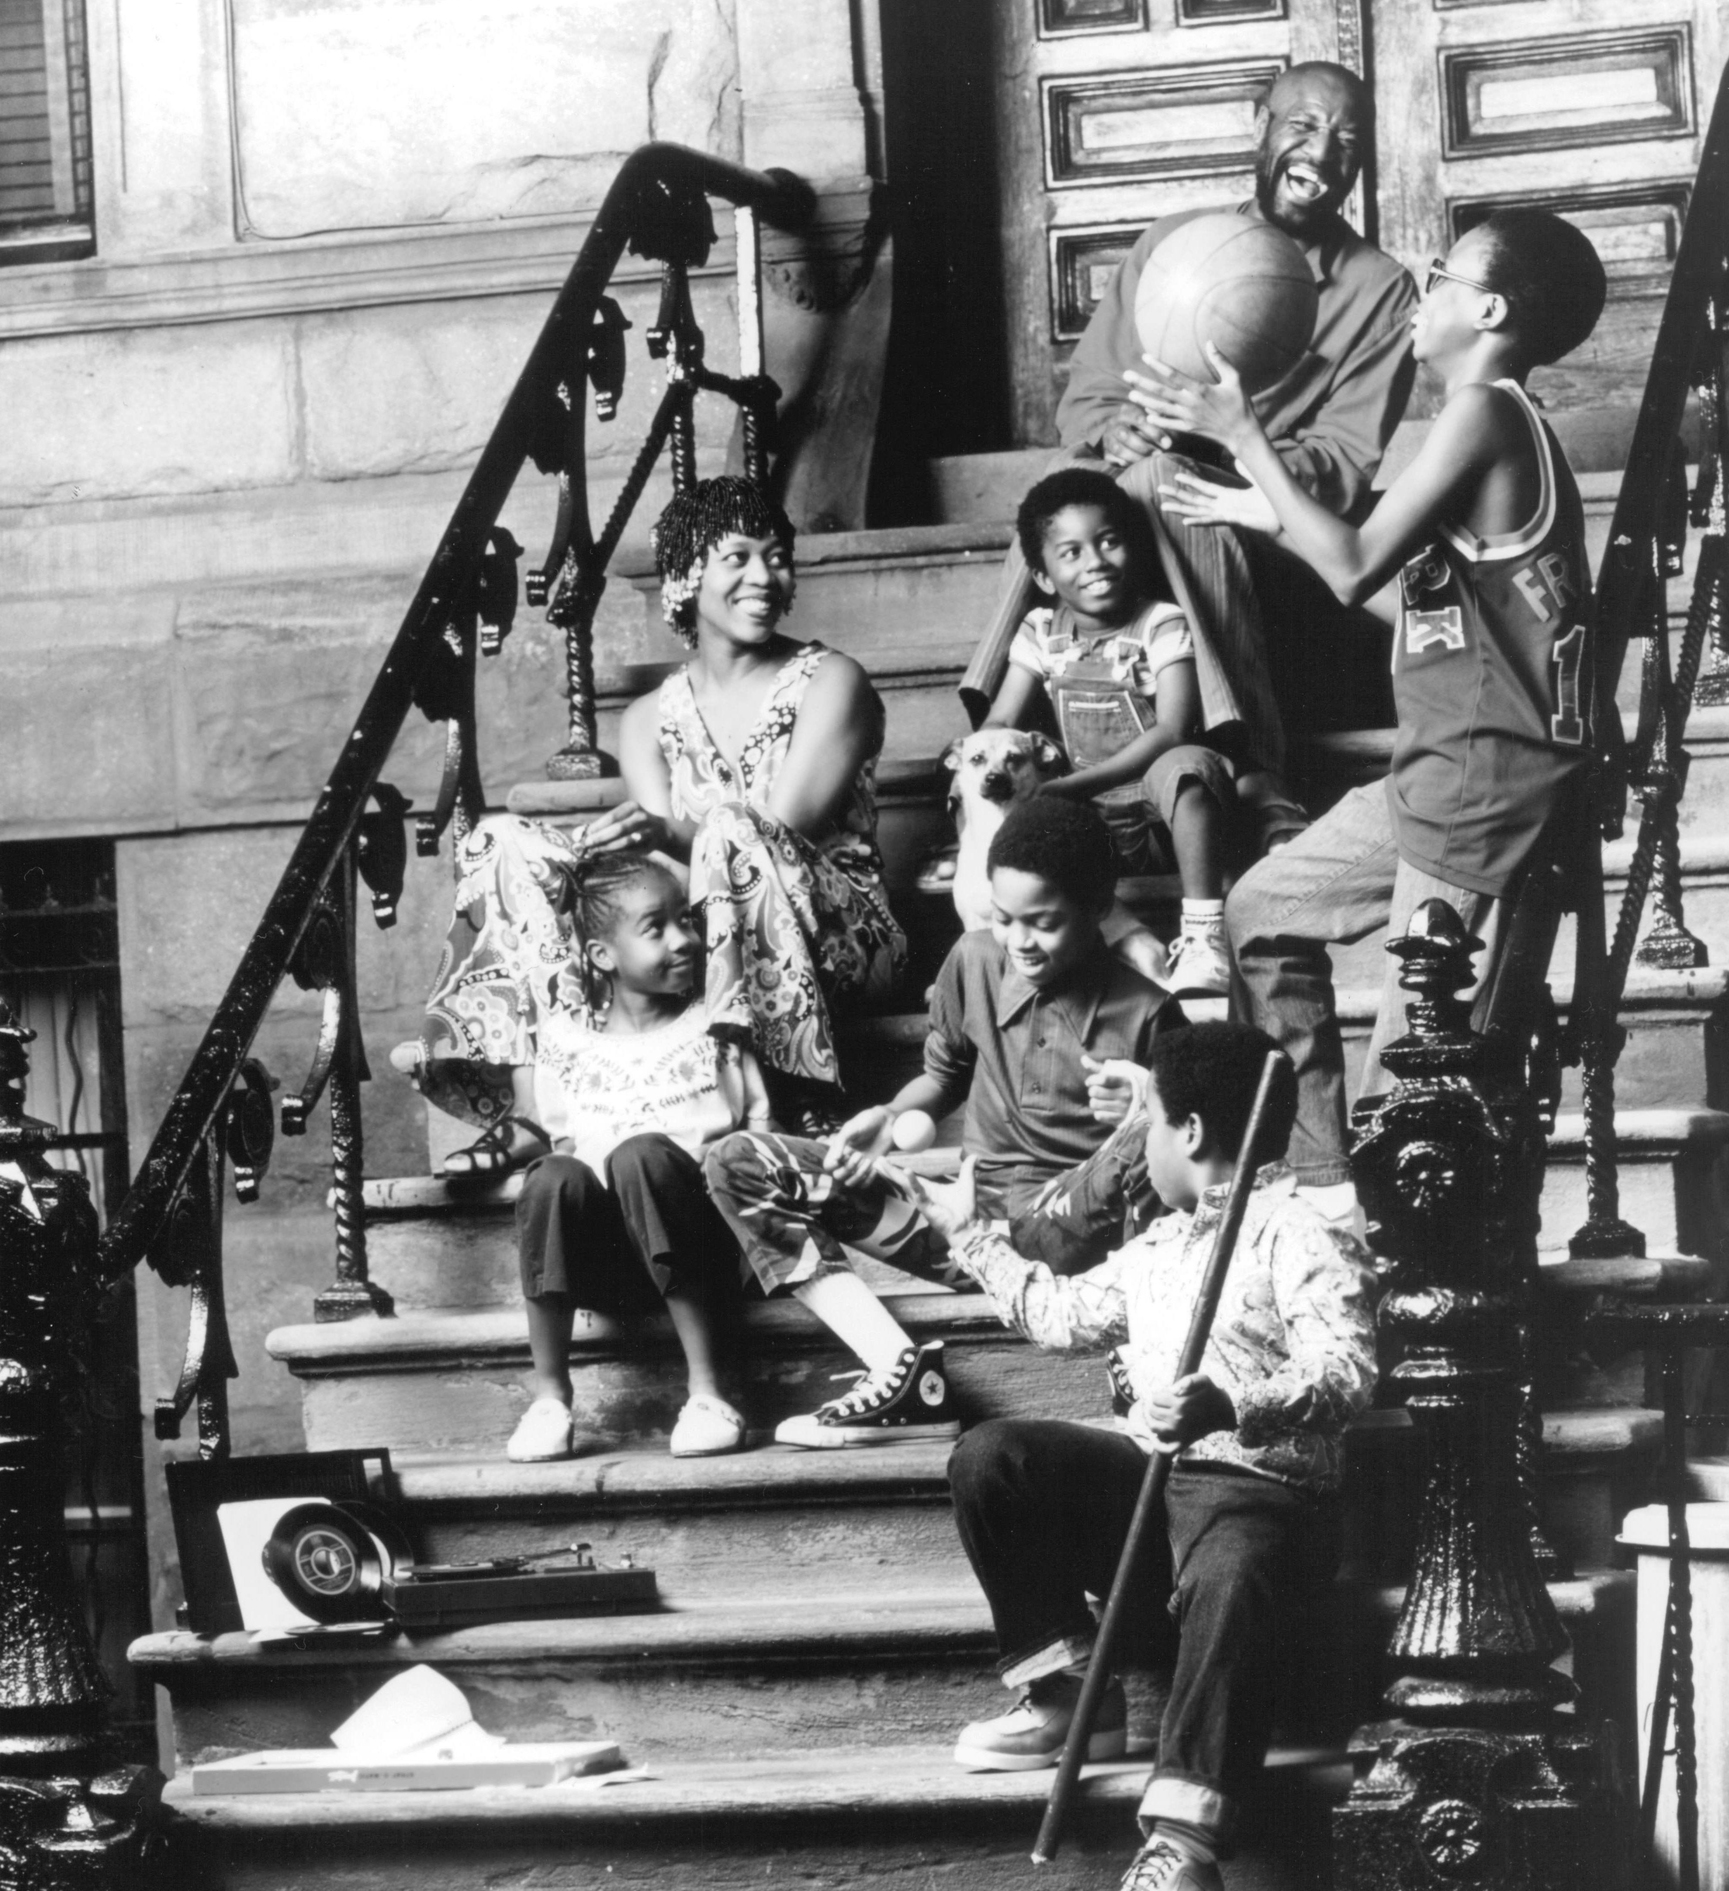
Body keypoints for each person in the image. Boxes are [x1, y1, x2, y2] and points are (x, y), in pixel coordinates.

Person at [1133, 207, 1607, 1204]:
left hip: (1485, 792)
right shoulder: (1489, 424)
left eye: (1439, 275)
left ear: (1486, 307)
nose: (1418, 290)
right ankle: (1324, 1189)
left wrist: (1248, 438)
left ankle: (1417, 1304)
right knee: (1261, 909)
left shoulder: (1485, 413)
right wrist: (1268, 513)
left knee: (1423, 1097)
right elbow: (1406, 592)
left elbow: (1352, 570)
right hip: (1439, 771)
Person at [905, 1022, 1378, 1891]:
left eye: (1146, 1122)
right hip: (1156, 1493)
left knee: (1231, 1561)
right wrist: (969, 1234)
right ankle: (1064, 1690)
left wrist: (1230, 1399)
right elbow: (1057, 1313)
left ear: (1190, 1132)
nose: (1138, 1146)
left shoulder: (1302, 1235)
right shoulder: (1160, 1247)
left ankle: (1184, 1856)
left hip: (1258, 1494)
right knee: (992, 1460)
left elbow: (1347, 1372)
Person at [956, 61, 1417, 835]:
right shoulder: (1176, 246)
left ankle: (1251, 763)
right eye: (1302, 125)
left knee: (1164, 480)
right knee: (1077, 477)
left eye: (1346, 138)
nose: (1322, 151)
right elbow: (1090, 394)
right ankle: (991, 732)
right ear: (1260, 129)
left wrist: (1225, 442)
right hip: (1140, 507)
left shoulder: (1382, 291)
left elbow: (1339, 469)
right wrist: (1113, 431)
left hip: (1265, 531)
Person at [404, 477, 905, 1169]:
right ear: (684, 576)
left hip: (840, 939)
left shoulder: (829, 681)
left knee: (733, 824)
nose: (764, 575)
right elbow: (658, 881)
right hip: (699, 935)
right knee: (503, 838)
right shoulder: (648, 718)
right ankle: (537, 1106)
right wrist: (592, 857)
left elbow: (774, 833)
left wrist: (664, 832)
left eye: (776, 556)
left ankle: (790, 1089)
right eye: (737, 557)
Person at [508, 852, 954, 1463]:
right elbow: (563, 1148)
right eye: (656, 927)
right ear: (600, 957)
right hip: (611, 1262)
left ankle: (708, 1393)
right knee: (550, 1177)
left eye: (686, 921)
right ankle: (551, 1399)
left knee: (645, 1155)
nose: (684, 939)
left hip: (709, 1251)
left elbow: (756, 1135)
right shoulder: (563, 1041)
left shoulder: (717, 1029)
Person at [709, 797, 1185, 1303]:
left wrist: (1142, 1111)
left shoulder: (1149, 1012)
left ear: (1099, 909)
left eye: (1044, 923)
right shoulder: (975, 960)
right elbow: (942, 1080)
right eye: (1003, 918)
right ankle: (894, 1359)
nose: (1018, 941)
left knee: (1153, 1133)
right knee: (739, 1160)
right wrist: (890, 1117)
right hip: (964, 1226)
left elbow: (1183, 1163)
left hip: (1078, 1239)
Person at [986, 469, 1241, 999]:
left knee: (1189, 766)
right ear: (1043, 576)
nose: (1096, 562)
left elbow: (1172, 727)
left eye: (1108, 542)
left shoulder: (1160, 622)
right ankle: (1087, 938)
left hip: (1161, 814)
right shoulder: (1040, 631)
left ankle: (1202, 938)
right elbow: (1001, 721)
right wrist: (988, 755)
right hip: (1094, 821)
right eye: (1071, 552)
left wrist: (1078, 786)